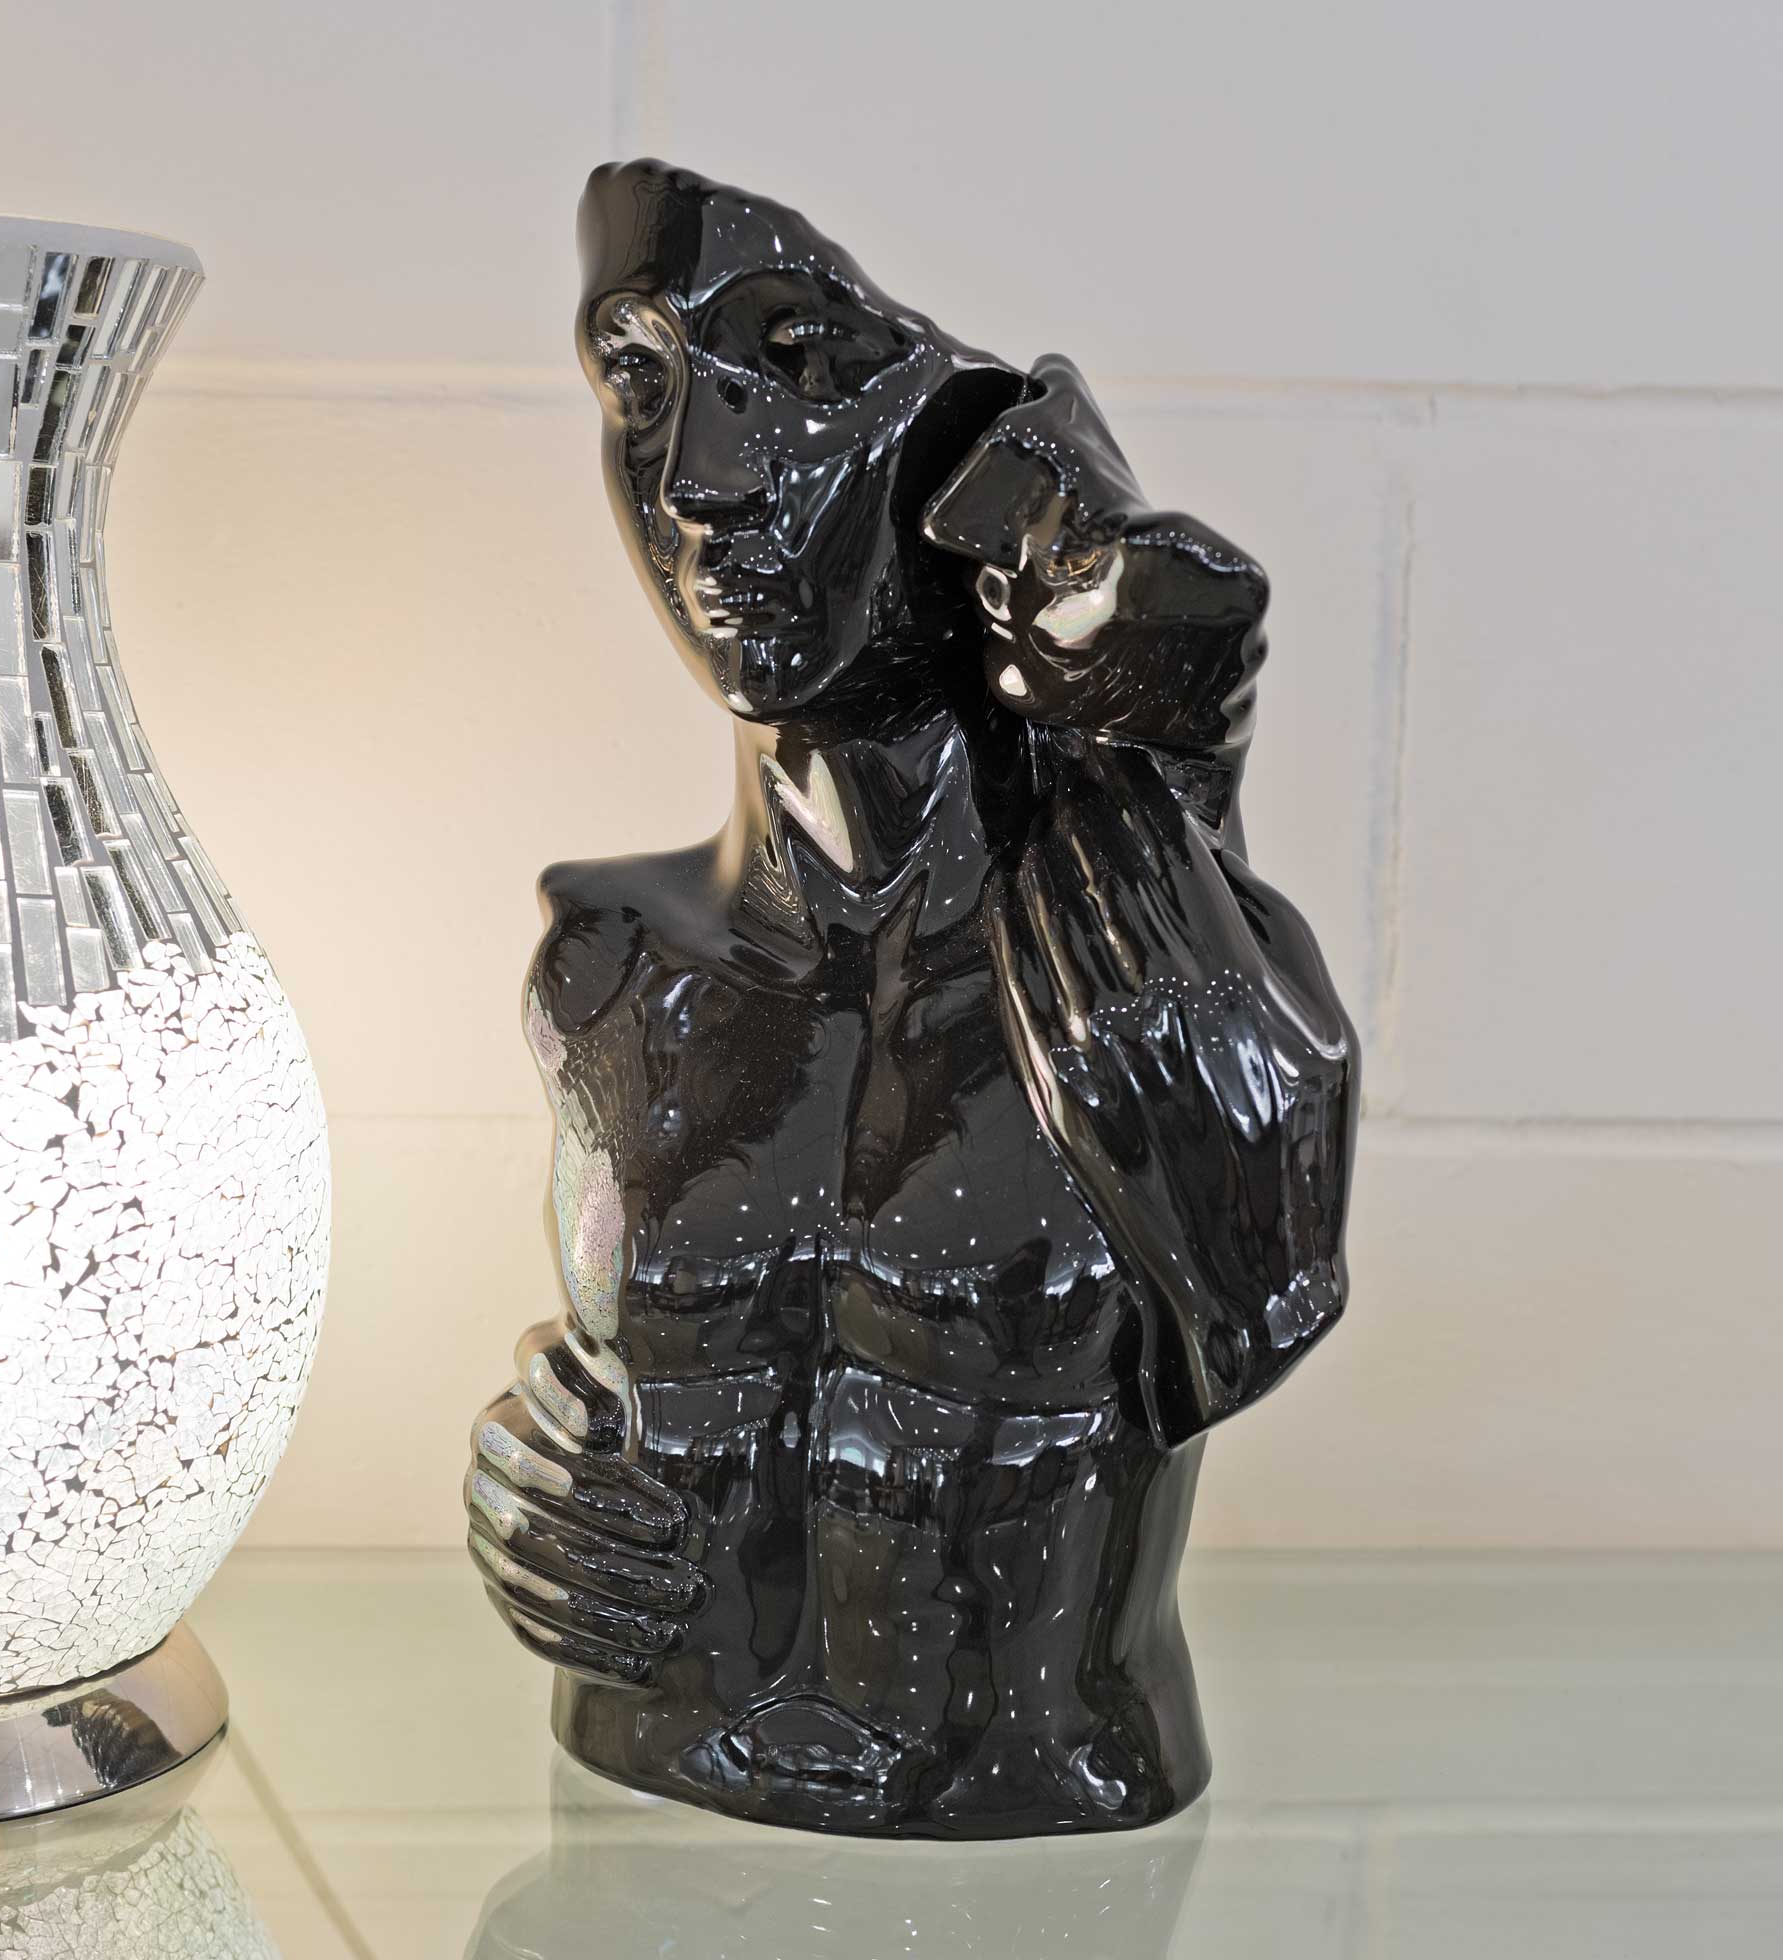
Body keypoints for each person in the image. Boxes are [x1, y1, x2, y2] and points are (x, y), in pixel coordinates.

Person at [467, 161, 1357, 1837]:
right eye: (642, 379)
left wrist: (1154, 745)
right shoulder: (609, 967)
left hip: (1034, 1864)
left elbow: (1266, 1278)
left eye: (802, 363)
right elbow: (612, 1373)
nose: (702, 479)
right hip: (641, 1816)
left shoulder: (1132, 983)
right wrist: (535, 1479)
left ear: (966, 467)